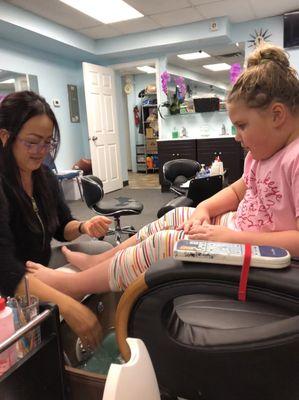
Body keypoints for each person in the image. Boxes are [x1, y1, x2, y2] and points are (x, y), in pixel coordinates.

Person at [28, 43, 299, 298]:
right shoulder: (261, 156)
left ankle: (74, 285)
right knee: (179, 214)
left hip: (258, 252)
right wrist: (204, 211)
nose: (238, 138)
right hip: (235, 231)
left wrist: (229, 236)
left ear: (277, 115)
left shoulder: (295, 160)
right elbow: (238, 191)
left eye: (242, 126)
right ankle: (101, 261)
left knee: (166, 243)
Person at [0, 90, 113, 349]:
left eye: (47, 143)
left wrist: (84, 226)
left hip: (41, 261)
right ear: (5, 137)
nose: (41, 151)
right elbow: (5, 270)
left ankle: (103, 325)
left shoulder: (44, 178)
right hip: (14, 276)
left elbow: (62, 227)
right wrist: (69, 306)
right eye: (32, 142)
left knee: (104, 249)